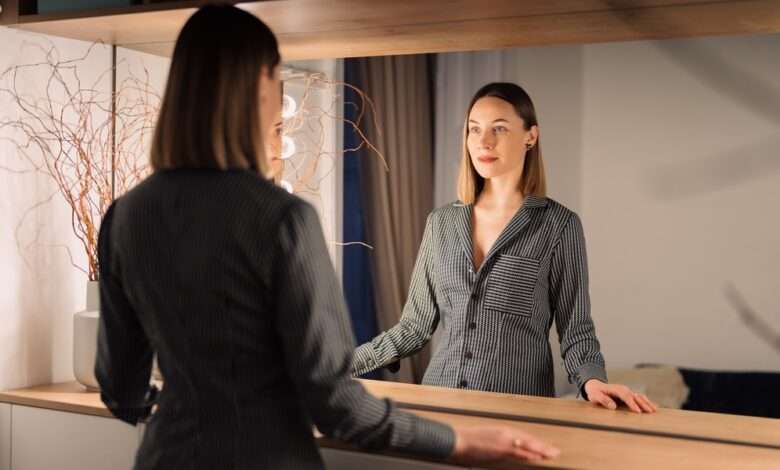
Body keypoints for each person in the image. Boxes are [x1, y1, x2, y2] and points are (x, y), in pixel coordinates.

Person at [94, 5, 560, 469]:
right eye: (276, 80)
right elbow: (336, 404)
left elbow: (121, 391)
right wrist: (455, 441)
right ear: (256, 85)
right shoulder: (282, 219)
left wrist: (190, 414)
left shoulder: (125, 217)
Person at [352, 82, 658, 414]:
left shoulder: (559, 226)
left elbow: (576, 329)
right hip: (438, 410)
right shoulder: (440, 223)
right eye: (474, 129)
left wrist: (592, 381)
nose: (484, 141)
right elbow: (414, 327)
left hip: (519, 414)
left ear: (531, 136)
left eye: (499, 128)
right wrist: (343, 364)